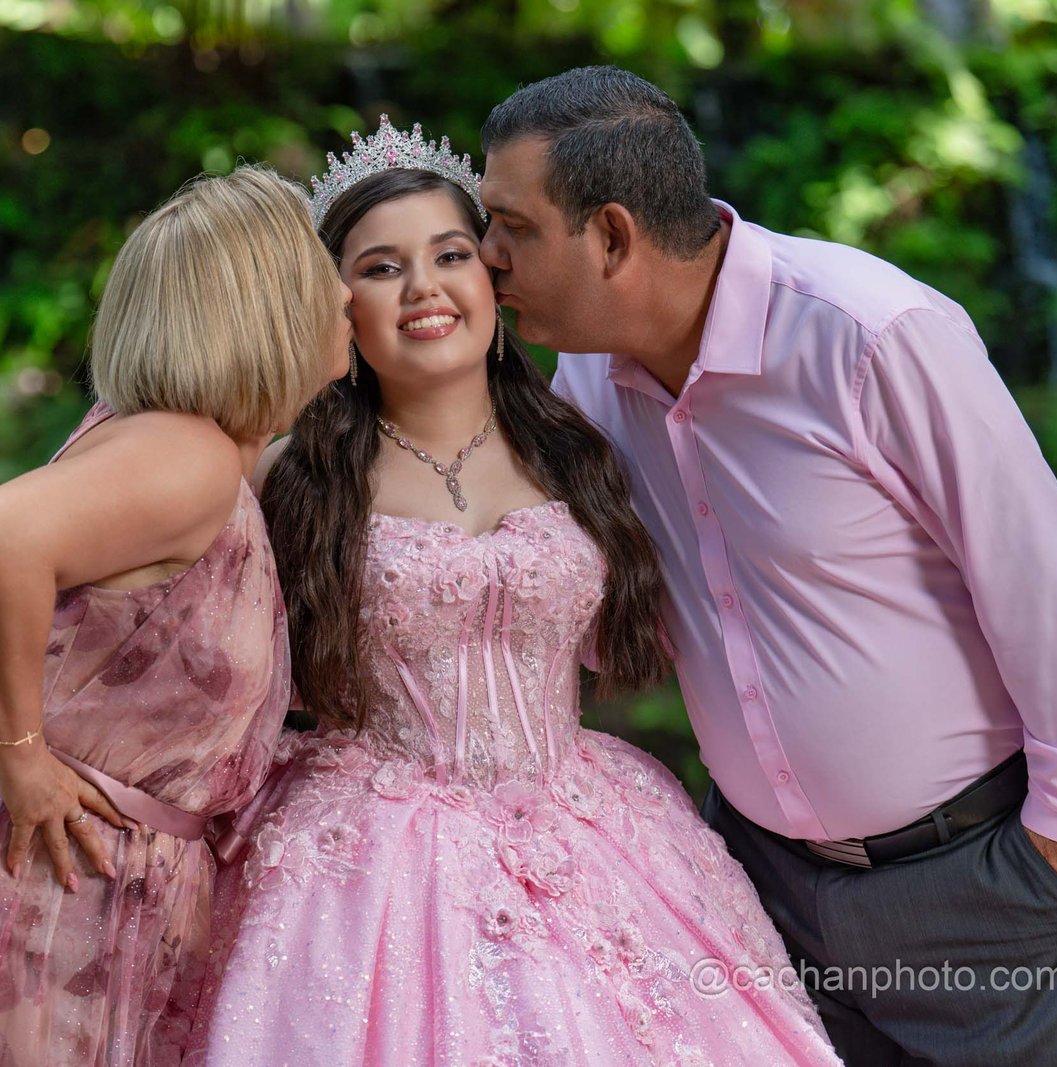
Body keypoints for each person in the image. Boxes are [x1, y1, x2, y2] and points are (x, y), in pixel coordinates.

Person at [477, 65, 1057, 1065]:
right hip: (759, 891)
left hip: (975, 883)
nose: (486, 256)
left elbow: (1033, 572)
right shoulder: (588, 378)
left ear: (612, 235)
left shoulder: (869, 335)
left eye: (511, 227)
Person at [182, 117, 841, 1066]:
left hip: (595, 829)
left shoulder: (583, 444)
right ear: (339, 307)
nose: (424, 287)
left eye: (451, 254)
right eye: (382, 268)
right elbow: (175, 635)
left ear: (493, 276)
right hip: (368, 857)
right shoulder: (287, 475)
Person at [0, 166, 352, 1066]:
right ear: (270, 304)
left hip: (44, 860)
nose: (344, 293)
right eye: (323, 270)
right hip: (31, 860)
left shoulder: (192, 449)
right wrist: (22, 759)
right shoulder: (188, 456)